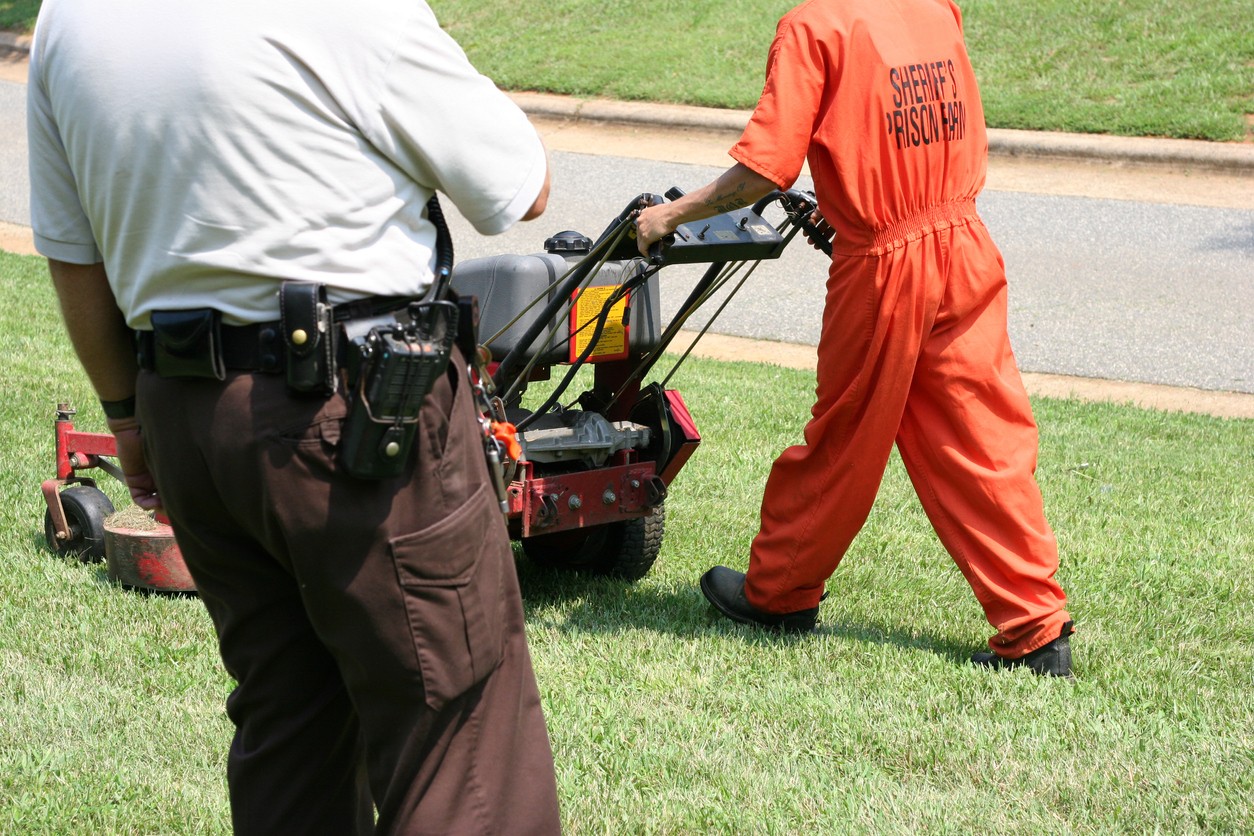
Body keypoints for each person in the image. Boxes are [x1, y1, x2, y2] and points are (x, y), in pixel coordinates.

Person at [28, 0, 564, 831]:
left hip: (187, 415)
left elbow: (72, 252)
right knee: (456, 744)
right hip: (356, 413)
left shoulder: (69, 16)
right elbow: (521, 185)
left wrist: (126, 421)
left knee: (288, 727)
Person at [635, 0, 1074, 677]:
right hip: (964, 242)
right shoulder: (934, 8)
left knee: (843, 437)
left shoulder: (813, 26)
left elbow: (764, 171)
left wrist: (671, 215)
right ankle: (1037, 627)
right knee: (984, 435)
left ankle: (779, 594)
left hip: (885, 266)